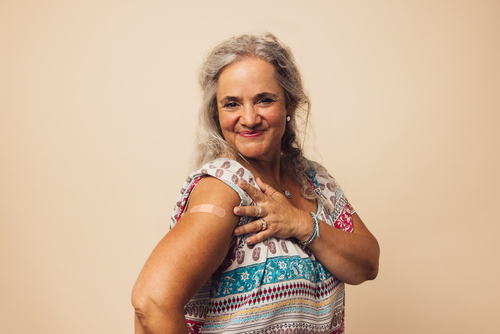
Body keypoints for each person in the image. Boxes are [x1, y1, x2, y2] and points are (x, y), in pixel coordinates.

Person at [132, 33, 380, 334]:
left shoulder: (313, 180)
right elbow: (152, 302)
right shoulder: (226, 188)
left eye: (264, 100)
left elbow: (367, 264)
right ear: (217, 112)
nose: (249, 118)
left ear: (288, 103)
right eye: (232, 104)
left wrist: (302, 224)